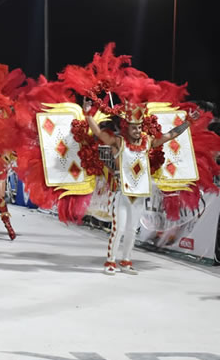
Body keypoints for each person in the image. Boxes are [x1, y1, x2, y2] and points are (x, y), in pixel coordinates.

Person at [84, 98, 198, 275]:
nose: (137, 131)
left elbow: (170, 135)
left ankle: (126, 260)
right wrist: (87, 114)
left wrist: (187, 123)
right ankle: (110, 261)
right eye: (134, 128)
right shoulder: (119, 142)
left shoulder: (148, 141)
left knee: (132, 230)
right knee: (118, 229)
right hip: (122, 193)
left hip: (139, 194)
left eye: (139, 127)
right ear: (126, 128)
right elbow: (99, 133)